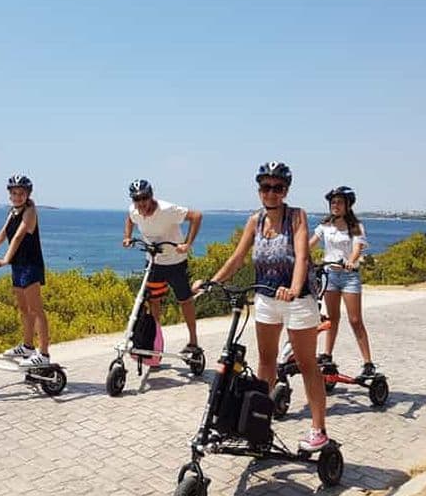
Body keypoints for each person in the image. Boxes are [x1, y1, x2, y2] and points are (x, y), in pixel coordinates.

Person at [193, 162, 329, 452]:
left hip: (298, 301)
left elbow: (302, 256)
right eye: (266, 187)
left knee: (307, 365)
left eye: (277, 187)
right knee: (266, 361)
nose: (271, 193)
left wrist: (293, 288)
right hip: (266, 299)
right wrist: (211, 282)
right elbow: (238, 257)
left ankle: (318, 429)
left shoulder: (296, 217)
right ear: (259, 191)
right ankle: (257, 422)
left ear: (286, 190)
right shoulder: (254, 221)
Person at [122, 179, 204, 357]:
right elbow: (130, 218)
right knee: (154, 302)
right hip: (154, 262)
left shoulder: (167, 210)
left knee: (185, 300)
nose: (141, 203)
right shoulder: (134, 210)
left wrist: (187, 244)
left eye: (144, 198)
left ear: (151, 196)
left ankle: (193, 341)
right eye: (137, 199)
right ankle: (155, 343)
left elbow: (196, 216)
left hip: (175, 262)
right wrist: (127, 237)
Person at [0, 174, 51, 368]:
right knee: (23, 309)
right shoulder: (12, 212)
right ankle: (28, 346)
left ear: (27, 194)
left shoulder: (30, 211)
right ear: (10, 195)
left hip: (30, 265)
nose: (17, 196)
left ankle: (44, 354)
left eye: (21, 193)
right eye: (14, 193)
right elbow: (2, 236)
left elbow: (18, 237)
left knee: (36, 310)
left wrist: (5, 260)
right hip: (17, 265)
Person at [310, 186, 375, 379]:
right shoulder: (325, 226)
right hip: (330, 275)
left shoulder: (356, 226)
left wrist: (351, 261)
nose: (335, 206)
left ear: (348, 205)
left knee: (355, 320)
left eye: (339, 202)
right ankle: (327, 355)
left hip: (349, 276)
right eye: (332, 202)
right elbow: (311, 242)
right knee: (332, 319)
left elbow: (357, 248)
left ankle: (368, 362)